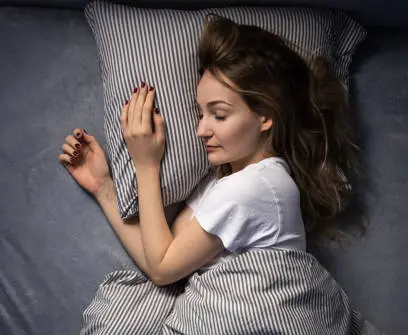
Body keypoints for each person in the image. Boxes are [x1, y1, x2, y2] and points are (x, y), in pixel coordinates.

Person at [58, 13, 365, 284]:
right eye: (200, 114)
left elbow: (163, 269)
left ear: (266, 117)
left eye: (218, 115)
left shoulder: (258, 185)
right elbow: (161, 253)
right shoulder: (225, 181)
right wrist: (103, 187)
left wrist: (146, 165)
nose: (201, 130)